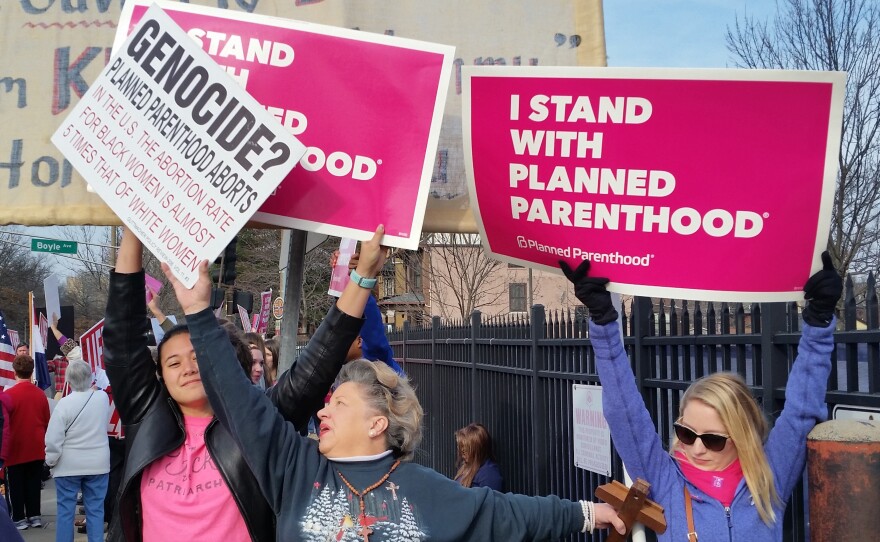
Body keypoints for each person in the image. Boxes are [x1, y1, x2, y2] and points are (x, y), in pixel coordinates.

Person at [163, 224, 626, 541]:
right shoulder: (294, 466)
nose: (322, 411)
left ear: (377, 423)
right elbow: (240, 402)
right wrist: (199, 312)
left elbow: (505, 515)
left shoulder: (425, 489)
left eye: (339, 404)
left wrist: (587, 514)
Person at [103, 228, 367, 542]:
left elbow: (320, 361)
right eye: (173, 363)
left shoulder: (261, 423)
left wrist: (364, 276)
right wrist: (134, 224)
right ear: (161, 374)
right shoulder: (146, 418)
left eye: (197, 356)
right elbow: (123, 336)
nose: (187, 368)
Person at [559, 252, 841, 542]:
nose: (696, 449)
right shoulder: (665, 479)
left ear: (741, 436)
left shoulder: (769, 477)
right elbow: (625, 413)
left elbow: (801, 410)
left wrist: (819, 319)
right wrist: (603, 321)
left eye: (713, 440)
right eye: (686, 433)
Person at [45, 360, 111, 542]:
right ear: (90, 378)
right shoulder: (102, 398)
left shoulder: (63, 404)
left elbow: (53, 439)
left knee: (65, 512)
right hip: (98, 464)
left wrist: (51, 460)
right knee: (96, 510)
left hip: (68, 466)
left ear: (68, 380)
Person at [5, 354, 50, 530]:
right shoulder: (40, 395)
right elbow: (46, 421)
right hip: (36, 446)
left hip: (15, 447)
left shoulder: (9, 395)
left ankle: (19, 517)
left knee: (16, 485)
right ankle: (34, 515)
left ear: (14, 371)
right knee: (33, 483)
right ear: (31, 372)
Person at [454, 423, 503, 491]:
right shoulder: (465, 467)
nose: (462, 451)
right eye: (460, 446)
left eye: (466, 448)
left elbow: (490, 500)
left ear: (477, 448)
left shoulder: (488, 474)